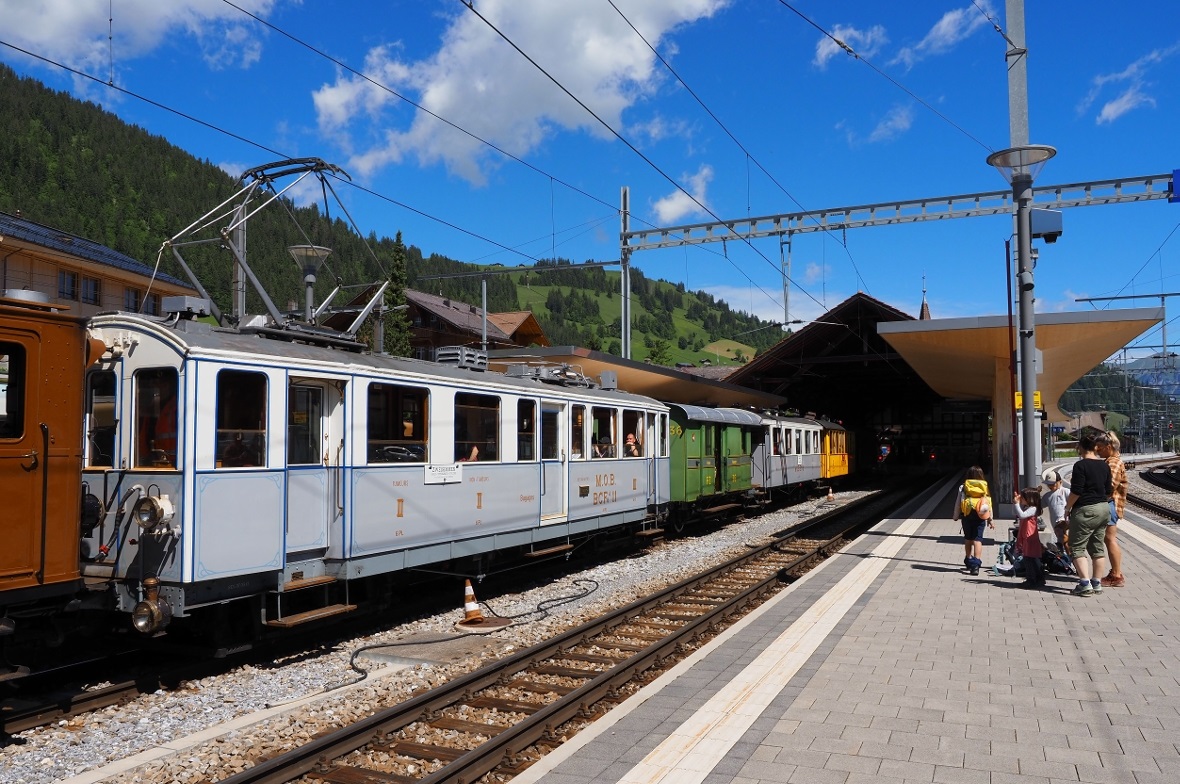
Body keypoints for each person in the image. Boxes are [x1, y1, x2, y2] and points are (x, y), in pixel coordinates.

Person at [1063, 430, 1112, 596]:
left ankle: (1084, 583)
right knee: (1097, 547)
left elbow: (1076, 491)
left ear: (1080, 448)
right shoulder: (1104, 465)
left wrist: (1067, 508)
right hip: (1103, 508)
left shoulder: (1080, 465)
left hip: (1085, 510)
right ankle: (1096, 582)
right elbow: (1108, 490)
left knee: (1076, 547)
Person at [1098, 432, 1127, 588]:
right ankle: (1115, 573)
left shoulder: (1113, 463)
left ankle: (1116, 575)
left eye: (1100, 448)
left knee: (1110, 539)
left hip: (1110, 504)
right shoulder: (1111, 461)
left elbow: (1110, 486)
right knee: (1109, 539)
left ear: (1108, 447)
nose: (1097, 451)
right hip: (1111, 504)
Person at [951, 465, 993, 575]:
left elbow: (958, 503)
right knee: (978, 540)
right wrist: (990, 519)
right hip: (981, 516)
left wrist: (955, 516)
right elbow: (988, 503)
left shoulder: (963, 487)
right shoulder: (984, 487)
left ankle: (968, 559)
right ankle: (976, 565)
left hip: (967, 516)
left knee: (968, 539)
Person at [1014, 486, 1045, 588]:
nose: (1021, 499)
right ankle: (1036, 578)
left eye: (1023, 497)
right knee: (1029, 558)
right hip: (1026, 536)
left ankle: (1033, 579)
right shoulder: (1029, 508)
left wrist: (1016, 504)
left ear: (1030, 499)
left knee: (1030, 559)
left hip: (1030, 537)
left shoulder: (1033, 509)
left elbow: (1022, 515)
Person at [1041, 468, 1068, 546]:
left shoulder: (1065, 491)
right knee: (1060, 536)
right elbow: (1040, 505)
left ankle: (1068, 552)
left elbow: (1074, 500)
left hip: (1064, 519)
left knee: (1061, 533)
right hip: (1055, 522)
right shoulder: (1047, 496)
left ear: (1060, 482)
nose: (1050, 486)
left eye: (1053, 484)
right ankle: (1064, 554)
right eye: (1048, 484)